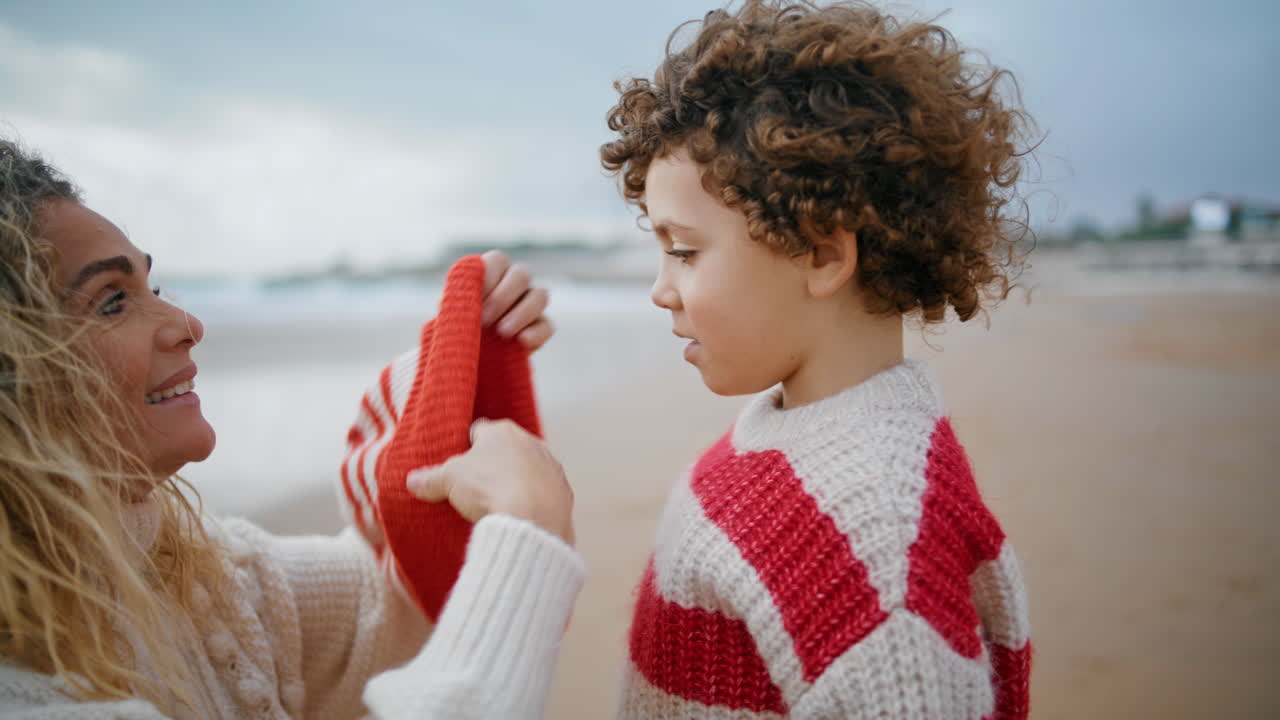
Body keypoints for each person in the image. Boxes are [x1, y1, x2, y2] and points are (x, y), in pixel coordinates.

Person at [0, 138, 582, 719]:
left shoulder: (194, 575)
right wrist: (524, 542)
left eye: (150, 288)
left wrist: (455, 366)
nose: (186, 322)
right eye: (111, 302)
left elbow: (383, 610)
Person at [599, 1, 1033, 717]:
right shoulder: (781, 437)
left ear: (823, 253)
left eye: (684, 251)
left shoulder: (879, 552)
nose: (659, 290)